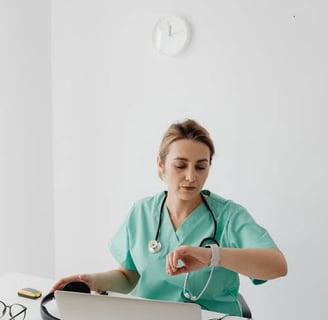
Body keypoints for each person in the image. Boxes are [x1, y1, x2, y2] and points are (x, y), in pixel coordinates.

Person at [52, 119, 287, 317]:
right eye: (181, 165)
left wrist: (212, 255)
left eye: (200, 167)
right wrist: (94, 281)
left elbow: (277, 266)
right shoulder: (142, 212)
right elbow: (128, 277)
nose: (190, 177)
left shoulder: (229, 215)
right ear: (161, 165)